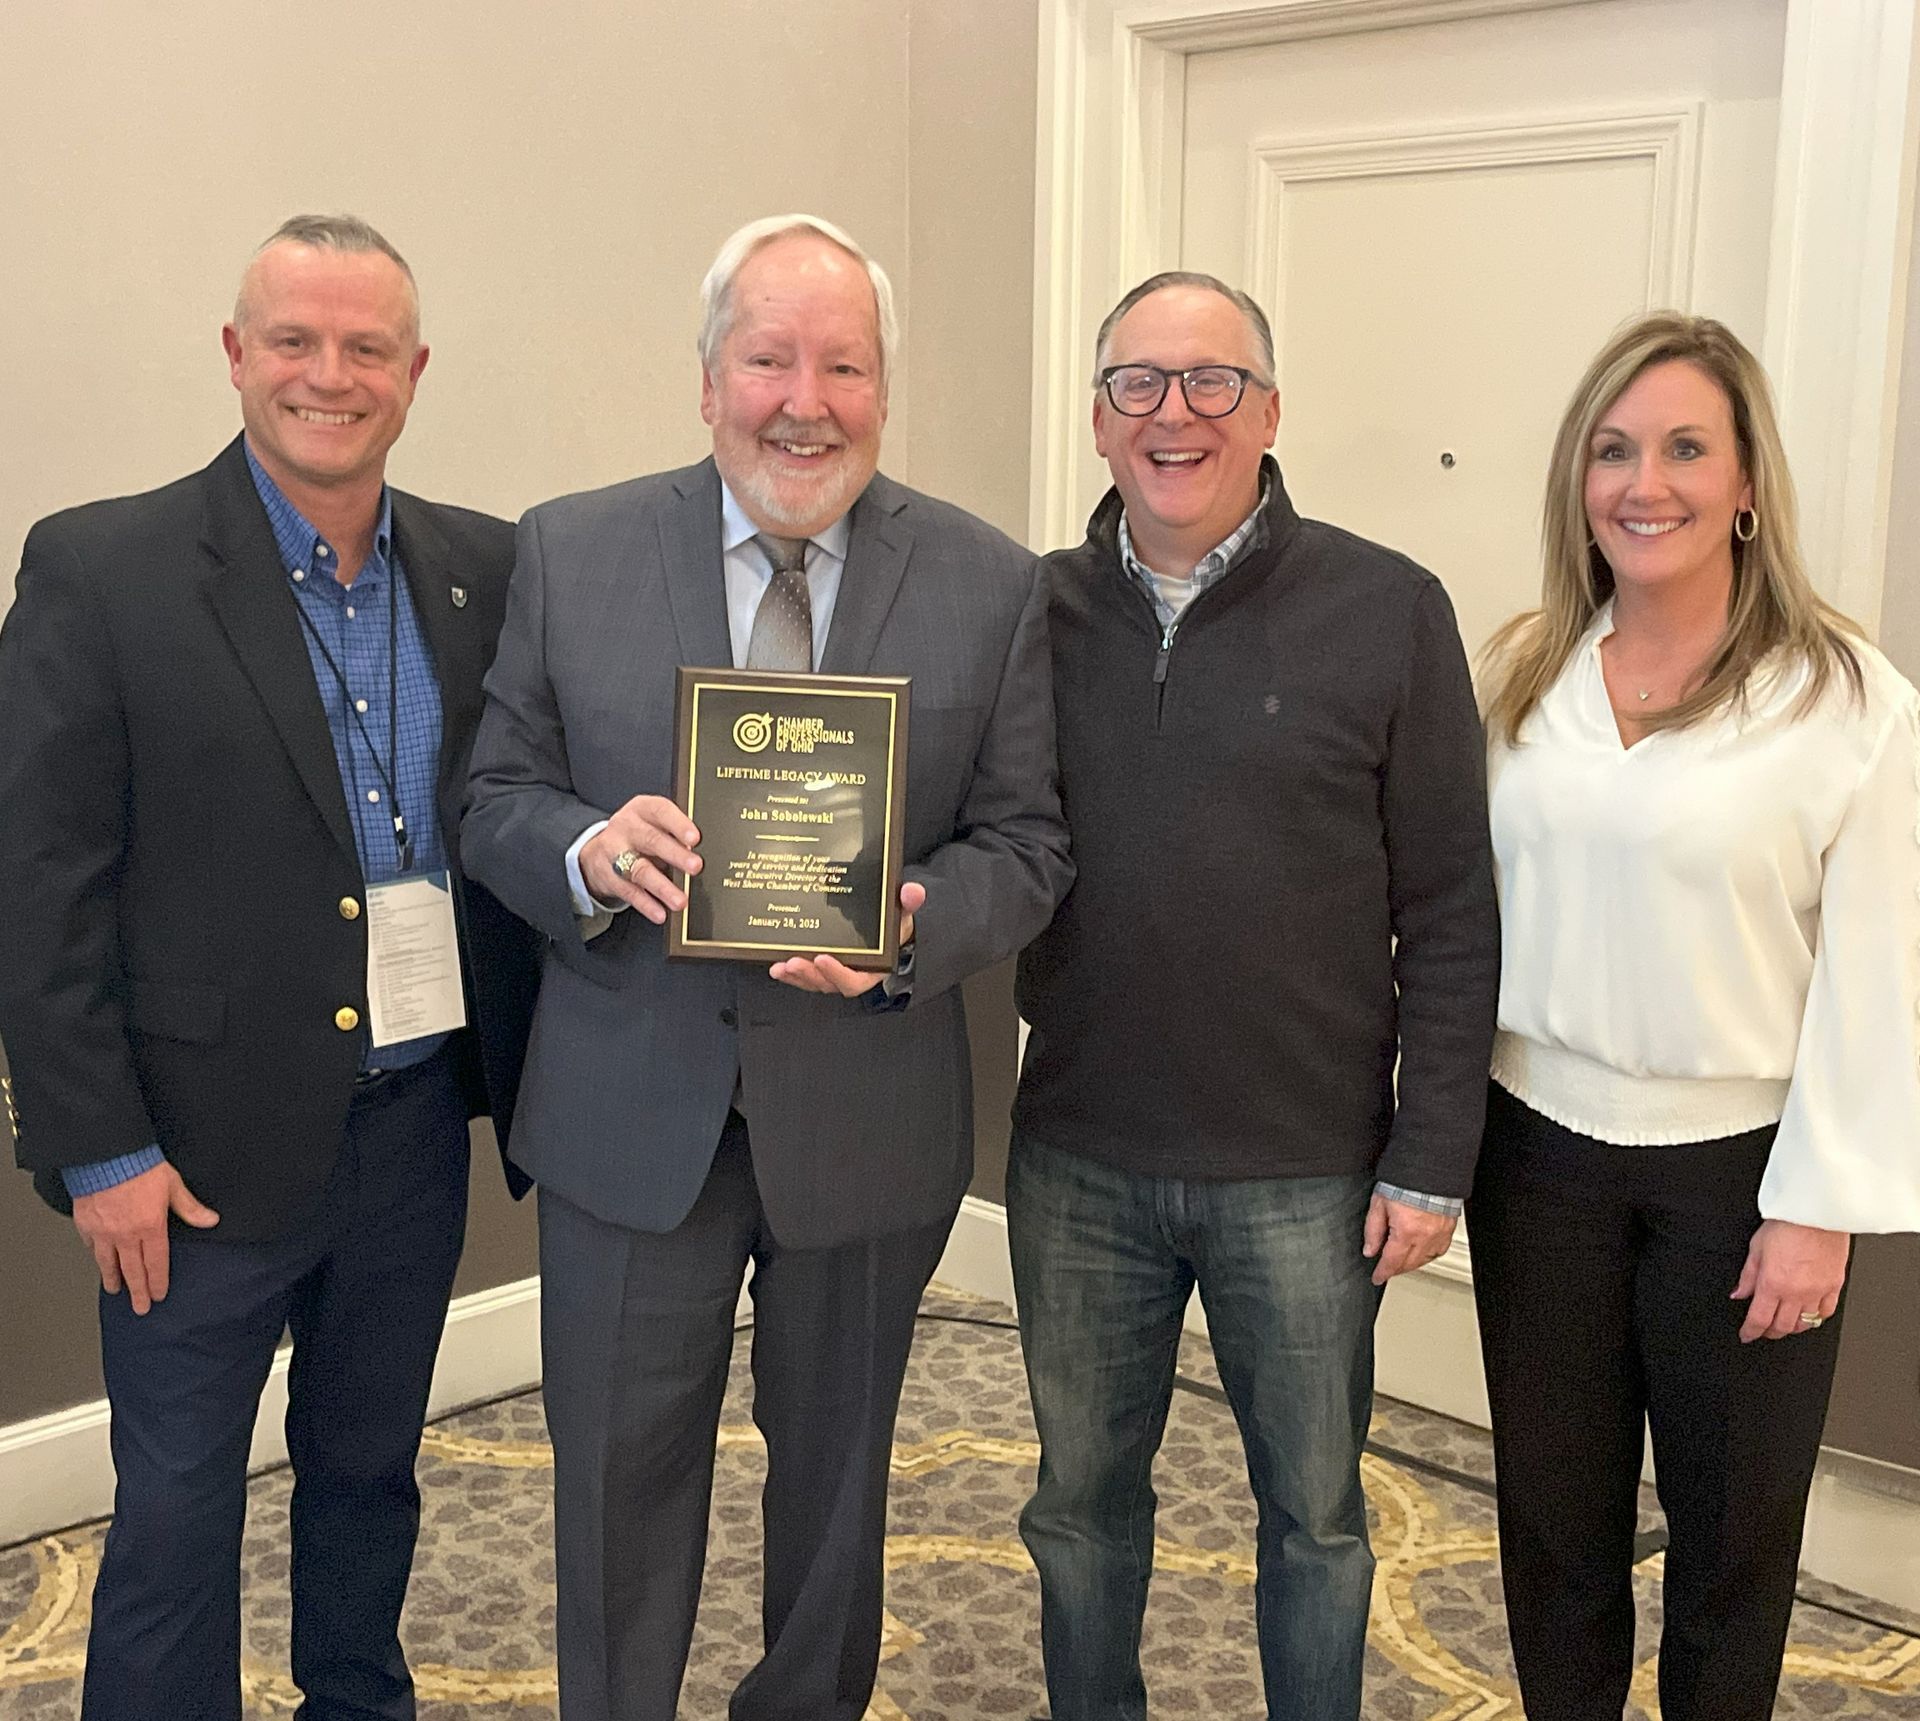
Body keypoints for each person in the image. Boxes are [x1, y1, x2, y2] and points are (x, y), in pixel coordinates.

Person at [461, 212, 1070, 1721]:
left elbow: (1029, 845)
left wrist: (919, 916)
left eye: (844, 364)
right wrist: (592, 852)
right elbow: (495, 798)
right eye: (770, 359)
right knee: (612, 1484)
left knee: (841, 1495)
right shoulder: (575, 544)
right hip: (629, 1109)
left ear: (883, 387)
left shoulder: (992, 583)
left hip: (867, 1114)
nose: (807, 399)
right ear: (710, 374)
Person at [0, 215, 541, 1720]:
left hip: (414, 1127)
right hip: (190, 1157)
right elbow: (36, 884)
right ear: (235, 356)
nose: (329, 373)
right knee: (175, 1514)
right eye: (293, 340)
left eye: (367, 346)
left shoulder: (481, 570)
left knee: (369, 1474)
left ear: (413, 372)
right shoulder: (101, 567)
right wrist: (96, 1144)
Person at [1010, 271, 1500, 1721]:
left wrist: (1432, 1152)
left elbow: (1454, 907)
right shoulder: (1027, 612)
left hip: (1305, 1170)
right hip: (1078, 1156)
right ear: (1098, 421)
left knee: (1317, 1520)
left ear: (1272, 411)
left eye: (1212, 380)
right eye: (1139, 384)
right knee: (1079, 1511)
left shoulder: (1391, 607)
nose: (1175, 413)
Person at [1469, 311, 1920, 1720]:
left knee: (1730, 1550)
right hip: (1533, 1155)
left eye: (1681, 447)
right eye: (1612, 450)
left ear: (1745, 487)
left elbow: (1880, 970)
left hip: (1743, 1178)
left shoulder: (1847, 701)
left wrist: (1820, 1207)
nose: (1641, 482)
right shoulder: (1524, 673)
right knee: (1555, 1532)